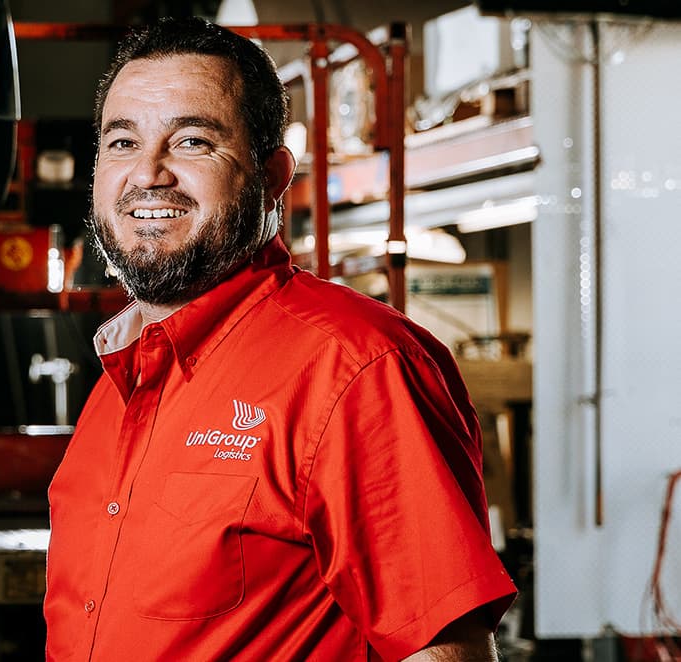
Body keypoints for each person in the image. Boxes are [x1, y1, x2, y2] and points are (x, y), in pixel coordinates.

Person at [44, 16, 517, 661]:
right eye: (123, 142)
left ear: (272, 174)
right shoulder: (122, 378)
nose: (148, 173)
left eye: (192, 142)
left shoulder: (356, 368)